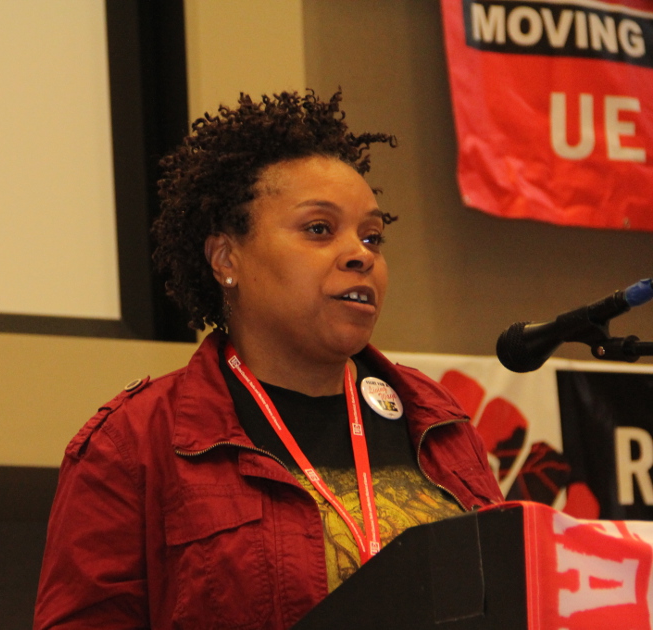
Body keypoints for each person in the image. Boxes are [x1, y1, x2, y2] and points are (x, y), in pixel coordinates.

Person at [33, 91, 503, 630]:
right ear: (227, 259)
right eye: (319, 229)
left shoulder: (438, 421)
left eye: (372, 236)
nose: (362, 254)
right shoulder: (134, 445)